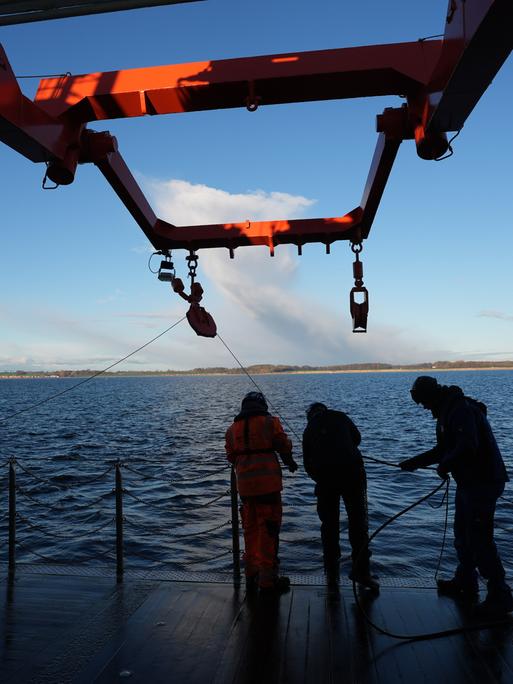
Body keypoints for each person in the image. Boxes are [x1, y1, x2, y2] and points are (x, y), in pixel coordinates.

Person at [400, 376, 513, 617]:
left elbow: (467, 445)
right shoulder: (447, 410)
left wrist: (445, 465)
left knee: (480, 538)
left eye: (423, 401)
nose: (423, 407)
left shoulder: (459, 410)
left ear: (431, 395)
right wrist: (415, 462)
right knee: (462, 533)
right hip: (469, 483)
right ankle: (466, 580)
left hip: (483, 483)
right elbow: (443, 449)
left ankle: (500, 595)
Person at [225, 391, 298, 594]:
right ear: (262, 405)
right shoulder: (270, 422)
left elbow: (231, 456)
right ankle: (268, 581)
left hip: (245, 489)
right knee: (269, 530)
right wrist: (290, 461)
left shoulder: (232, 429)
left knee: (250, 529)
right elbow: (282, 444)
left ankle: (251, 573)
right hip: (268, 487)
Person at [302, 402, 378, 591]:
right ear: (324, 409)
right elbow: (357, 439)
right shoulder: (340, 416)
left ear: (310, 415)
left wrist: (319, 477)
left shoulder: (308, 429)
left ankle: (331, 572)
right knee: (358, 524)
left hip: (326, 482)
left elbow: (307, 464)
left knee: (329, 526)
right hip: (353, 476)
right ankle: (361, 572)